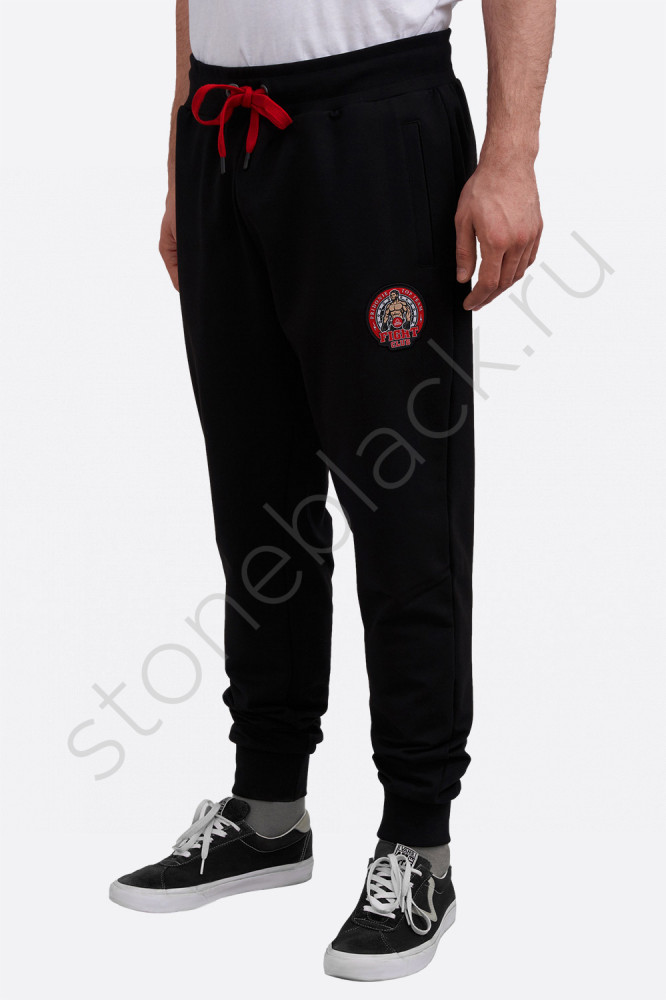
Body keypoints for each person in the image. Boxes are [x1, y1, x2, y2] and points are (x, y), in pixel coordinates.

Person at [109, 0, 555, 981]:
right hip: (222, 129)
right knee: (255, 495)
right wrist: (181, 151)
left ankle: (419, 841)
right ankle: (268, 807)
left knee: (403, 500)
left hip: (375, 122)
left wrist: (512, 155)